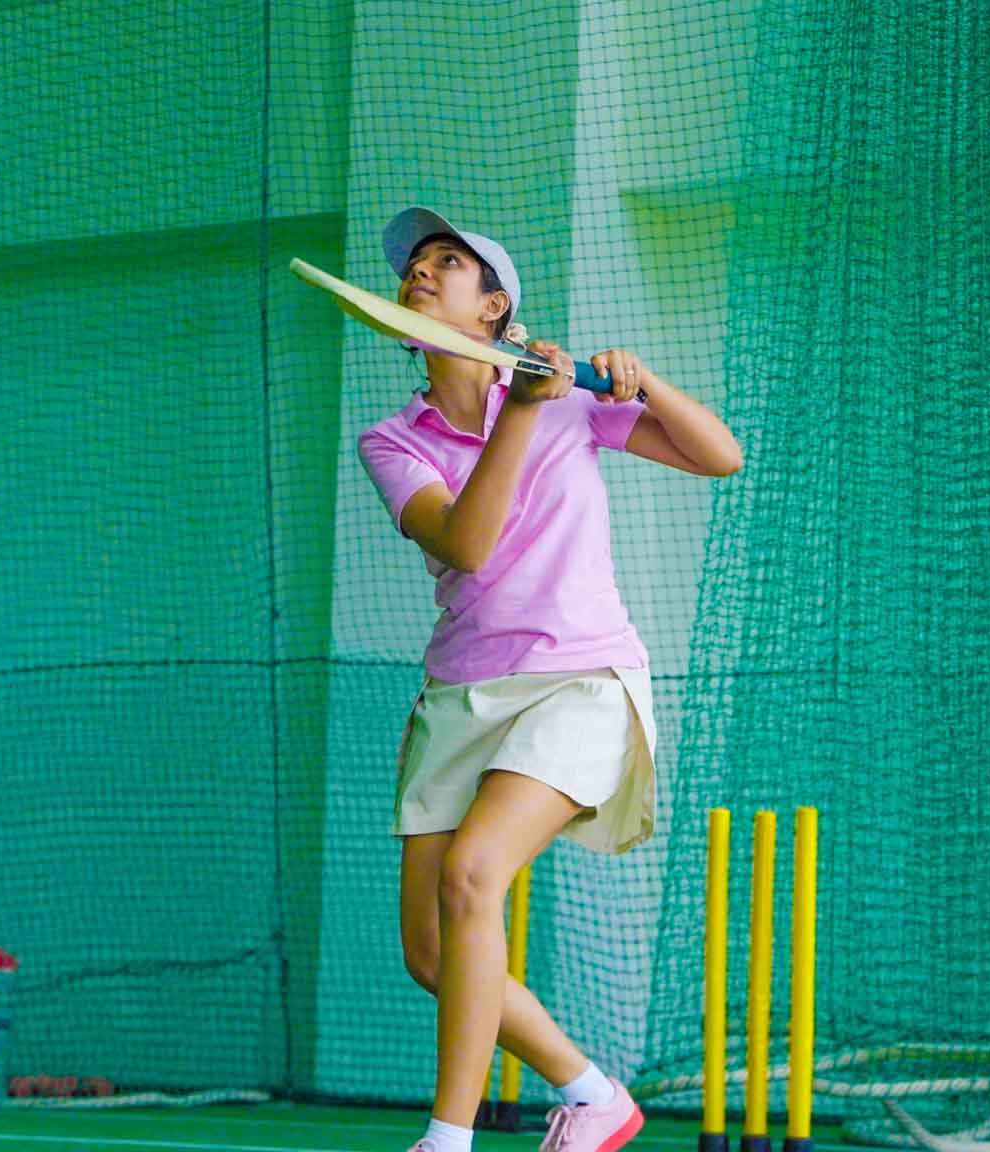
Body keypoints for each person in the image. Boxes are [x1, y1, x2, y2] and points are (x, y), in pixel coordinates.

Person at [356, 206, 743, 1152]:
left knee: (475, 874)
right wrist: (522, 408)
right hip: (460, 694)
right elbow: (468, 544)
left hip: (578, 678)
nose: (420, 270)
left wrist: (642, 381)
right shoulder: (391, 441)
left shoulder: (570, 404)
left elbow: (720, 455)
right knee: (430, 953)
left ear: (493, 309)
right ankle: (591, 1092)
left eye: (448, 263)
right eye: (415, 263)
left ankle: (447, 1140)